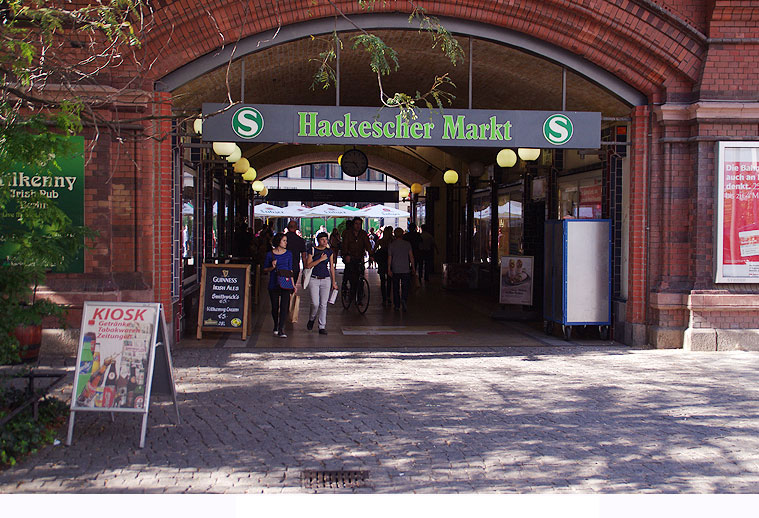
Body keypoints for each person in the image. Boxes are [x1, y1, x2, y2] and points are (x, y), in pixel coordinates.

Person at [262, 233, 295, 338]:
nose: (286, 243)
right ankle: (276, 325)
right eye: (284, 240)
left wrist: (293, 284)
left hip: (286, 282)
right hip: (274, 282)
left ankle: (281, 328)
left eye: (286, 241)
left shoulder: (289, 254)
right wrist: (272, 267)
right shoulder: (270, 254)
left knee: (284, 306)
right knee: (275, 306)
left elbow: (290, 270)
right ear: (278, 241)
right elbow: (265, 269)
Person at [305, 232, 338, 335]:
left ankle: (322, 326)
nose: (325, 241)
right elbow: (308, 265)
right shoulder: (312, 250)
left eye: (326, 239)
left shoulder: (329, 251)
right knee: (315, 303)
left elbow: (331, 267)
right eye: (322, 239)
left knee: (323, 304)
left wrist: (333, 282)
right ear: (318, 240)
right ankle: (312, 318)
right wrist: (320, 260)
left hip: (326, 279)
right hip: (314, 279)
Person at [340, 216, 374, 304]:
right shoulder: (348, 234)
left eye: (359, 224)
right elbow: (345, 245)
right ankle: (346, 288)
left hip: (359, 258)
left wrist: (371, 255)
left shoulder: (363, 234)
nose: (358, 226)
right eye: (356, 224)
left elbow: (368, 245)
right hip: (350, 257)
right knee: (351, 276)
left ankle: (359, 298)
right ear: (353, 224)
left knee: (360, 278)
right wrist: (346, 254)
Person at [388, 227, 415, 312]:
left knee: (395, 288)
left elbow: (389, 258)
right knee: (405, 287)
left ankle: (396, 305)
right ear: (403, 234)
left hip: (396, 269)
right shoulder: (407, 244)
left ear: (394, 235)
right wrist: (413, 268)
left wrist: (389, 269)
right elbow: (411, 257)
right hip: (405, 268)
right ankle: (404, 299)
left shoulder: (391, 245)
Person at [374, 225, 394, 307]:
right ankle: (388, 296)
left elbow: (374, 249)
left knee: (382, 281)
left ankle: (384, 298)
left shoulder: (380, 241)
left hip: (382, 262)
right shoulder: (393, 241)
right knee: (389, 281)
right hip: (390, 261)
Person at [285, 219, 308, 286]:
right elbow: (304, 257)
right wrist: (304, 270)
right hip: (295, 266)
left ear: (287, 228)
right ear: (296, 228)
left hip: (283, 265)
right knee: (292, 285)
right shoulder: (300, 240)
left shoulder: (283, 239)